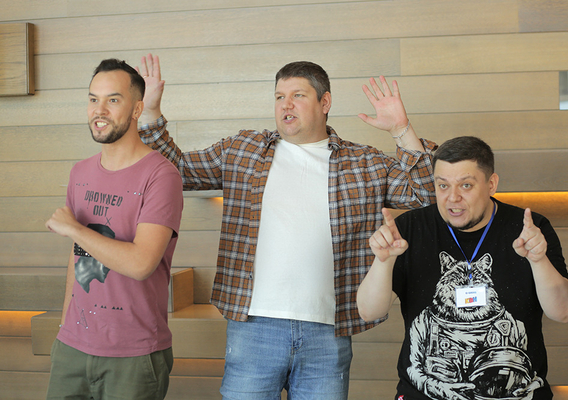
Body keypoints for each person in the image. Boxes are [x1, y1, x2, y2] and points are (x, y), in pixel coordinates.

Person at [136, 53, 436, 400]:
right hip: (253, 327)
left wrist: (401, 130)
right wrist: (151, 112)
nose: (285, 104)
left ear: (325, 102)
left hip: (328, 331)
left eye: (298, 95)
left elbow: (426, 194)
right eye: (279, 96)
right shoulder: (243, 150)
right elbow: (175, 171)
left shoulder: (364, 162)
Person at [357, 136, 568, 400]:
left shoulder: (529, 230)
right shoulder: (410, 229)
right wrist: (383, 261)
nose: (453, 198)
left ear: (491, 184)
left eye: (466, 185)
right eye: (443, 185)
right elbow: (369, 312)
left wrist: (539, 260)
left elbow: (564, 313)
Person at [44, 58, 184, 400]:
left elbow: (141, 263)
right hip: (72, 347)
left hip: (134, 355)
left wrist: (74, 229)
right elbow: (77, 258)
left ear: (137, 109)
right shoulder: (80, 172)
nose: (99, 110)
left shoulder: (161, 176)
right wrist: (64, 327)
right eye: (93, 99)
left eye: (113, 100)